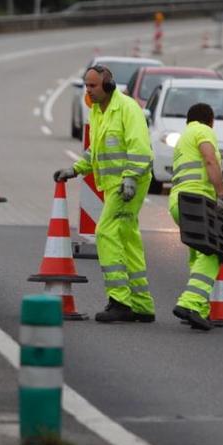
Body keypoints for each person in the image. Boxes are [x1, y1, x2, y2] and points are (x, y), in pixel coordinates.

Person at [53, 64, 155, 323]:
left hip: (127, 183)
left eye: (93, 86)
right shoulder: (97, 111)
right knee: (127, 239)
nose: (88, 91)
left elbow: (140, 148)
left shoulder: (128, 109)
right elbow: (95, 151)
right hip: (113, 185)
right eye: (86, 85)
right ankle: (142, 305)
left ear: (107, 86)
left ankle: (120, 301)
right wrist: (75, 169)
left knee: (105, 232)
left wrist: (130, 178)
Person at [168, 103, 223, 331]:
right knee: (212, 252)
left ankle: (200, 311)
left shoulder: (184, 137)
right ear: (210, 120)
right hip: (197, 201)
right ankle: (189, 303)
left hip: (178, 202)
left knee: (198, 254)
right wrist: (221, 193)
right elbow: (210, 160)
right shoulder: (203, 131)